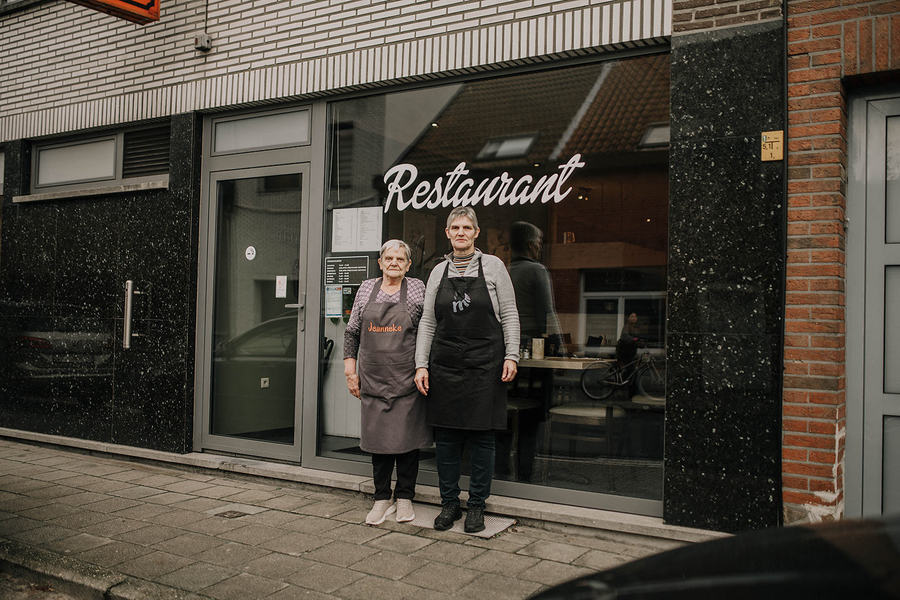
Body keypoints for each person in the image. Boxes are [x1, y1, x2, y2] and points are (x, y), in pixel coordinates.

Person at [414, 207, 520, 533]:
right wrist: (421, 364)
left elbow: (511, 314)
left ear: (476, 233)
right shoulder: (437, 272)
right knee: (446, 439)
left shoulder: (494, 267)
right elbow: (428, 322)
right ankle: (449, 504)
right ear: (447, 233)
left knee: (482, 438)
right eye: (455, 227)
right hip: (445, 363)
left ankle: (476, 506)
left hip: (485, 362)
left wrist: (512, 355)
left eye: (467, 227)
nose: (461, 232)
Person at [344, 239, 431, 525]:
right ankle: (381, 498)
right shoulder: (366, 289)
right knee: (378, 442)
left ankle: (405, 498)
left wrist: (423, 367)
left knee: (407, 442)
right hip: (373, 379)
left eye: (400, 259)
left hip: (406, 379)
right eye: (389, 258)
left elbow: (428, 331)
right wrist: (350, 371)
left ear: (408, 265)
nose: (394, 263)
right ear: (380, 263)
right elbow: (352, 332)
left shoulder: (417, 288)